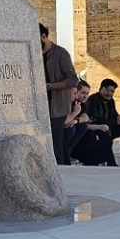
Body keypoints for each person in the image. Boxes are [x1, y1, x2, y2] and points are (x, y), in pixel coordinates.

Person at [40, 23, 78, 166]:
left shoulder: (61, 54)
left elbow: (73, 79)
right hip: (41, 105)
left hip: (57, 107)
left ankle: (61, 170)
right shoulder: (35, 52)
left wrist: (51, 86)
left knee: (56, 145)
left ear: (44, 36)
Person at [85, 78, 120, 166]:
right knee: (106, 134)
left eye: (112, 92)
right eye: (109, 91)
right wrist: (115, 122)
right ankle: (111, 163)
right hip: (97, 129)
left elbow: (114, 115)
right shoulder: (93, 100)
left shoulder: (111, 101)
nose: (111, 94)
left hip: (109, 127)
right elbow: (95, 119)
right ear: (103, 89)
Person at [64, 80, 112, 166]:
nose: (85, 96)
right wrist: (75, 114)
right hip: (67, 133)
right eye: (83, 93)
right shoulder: (70, 103)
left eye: (87, 93)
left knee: (98, 133)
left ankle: (104, 161)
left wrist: (76, 120)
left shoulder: (83, 104)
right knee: (84, 131)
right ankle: (68, 156)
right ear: (76, 92)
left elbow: (86, 117)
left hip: (79, 133)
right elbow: (66, 123)